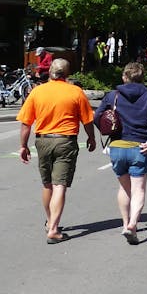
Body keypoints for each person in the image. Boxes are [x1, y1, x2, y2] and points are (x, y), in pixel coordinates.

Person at [16, 58, 96, 243]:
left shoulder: (37, 92)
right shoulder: (75, 92)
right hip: (65, 142)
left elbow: (26, 123)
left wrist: (23, 145)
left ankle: (49, 221)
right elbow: (87, 120)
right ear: (67, 74)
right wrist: (91, 138)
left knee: (47, 185)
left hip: (43, 141)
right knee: (59, 185)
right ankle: (53, 229)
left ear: (50, 71)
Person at [95, 62, 147, 244]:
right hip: (139, 147)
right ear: (141, 78)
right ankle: (133, 224)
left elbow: (97, 116)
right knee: (138, 188)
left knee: (124, 188)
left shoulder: (112, 95)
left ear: (124, 77)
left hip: (117, 146)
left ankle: (125, 224)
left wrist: (109, 130)